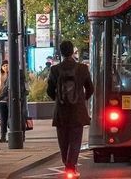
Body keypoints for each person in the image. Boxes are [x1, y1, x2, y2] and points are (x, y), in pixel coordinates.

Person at [47, 40, 94, 177]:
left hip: (61, 111)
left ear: (61, 52)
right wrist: (81, 99)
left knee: (63, 141)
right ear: (73, 51)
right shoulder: (82, 68)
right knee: (75, 140)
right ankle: (70, 167)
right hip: (77, 111)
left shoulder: (54, 70)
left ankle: (67, 164)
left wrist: (59, 99)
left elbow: (50, 91)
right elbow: (90, 89)